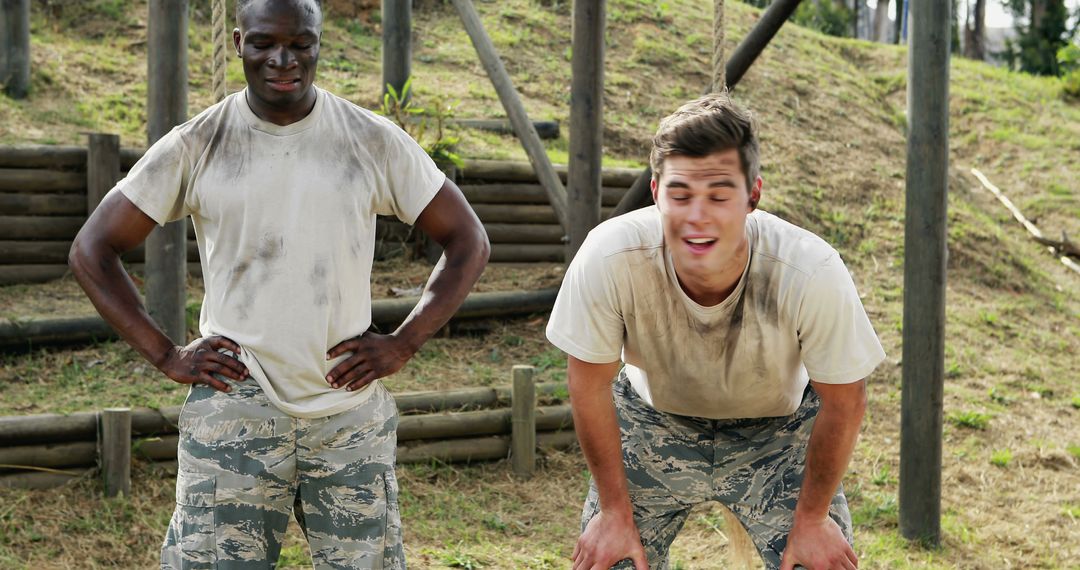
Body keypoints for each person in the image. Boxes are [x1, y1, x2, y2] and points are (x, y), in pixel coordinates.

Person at [68, 0, 489, 567]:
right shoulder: (199, 142)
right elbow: (92, 249)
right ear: (238, 41)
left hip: (347, 406)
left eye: (300, 43)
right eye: (265, 43)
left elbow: (468, 239)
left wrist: (403, 342)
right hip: (237, 406)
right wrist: (165, 354)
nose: (283, 59)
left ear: (319, 43)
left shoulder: (370, 139)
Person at [546, 93, 885, 570]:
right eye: (680, 194)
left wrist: (812, 518)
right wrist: (614, 512)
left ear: (753, 196)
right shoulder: (610, 256)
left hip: (778, 435)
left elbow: (845, 400)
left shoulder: (809, 269)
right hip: (651, 421)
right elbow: (589, 384)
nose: (698, 216)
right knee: (610, 560)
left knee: (818, 563)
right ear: (655, 192)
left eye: (720, 195)